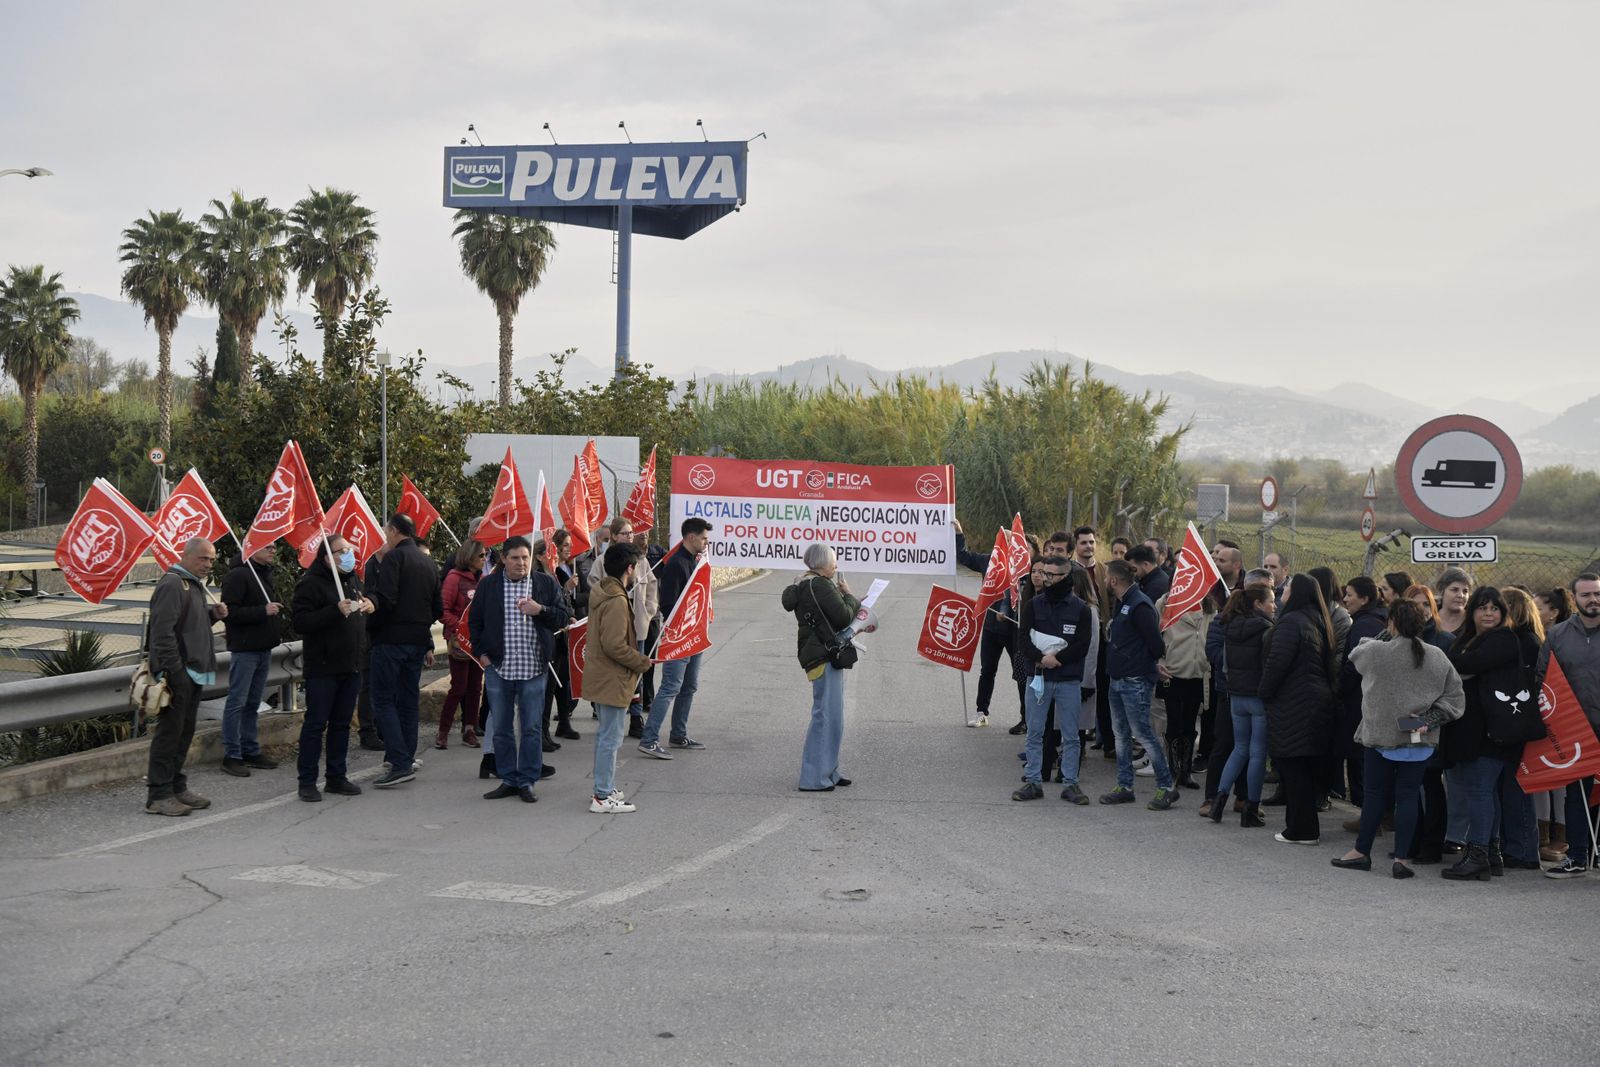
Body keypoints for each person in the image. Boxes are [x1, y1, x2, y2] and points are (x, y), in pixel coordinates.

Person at [1333, 600, 1465, 878]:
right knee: (1408, 798)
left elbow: (1356, 655)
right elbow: (1455, 697)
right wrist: (1429, 720)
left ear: (1391, 623)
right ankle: (1402, 859)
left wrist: (1386, 634)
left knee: (1374, 796)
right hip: (1417, 737)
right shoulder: (1437, 655)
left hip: (1380, 737)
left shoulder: (1377, 652)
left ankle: (1361, 851)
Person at [469, 535, 570, 803]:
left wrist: (540, 610)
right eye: (514, 558)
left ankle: (527, 780)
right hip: (499, 669)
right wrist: (482, 655)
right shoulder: (489, 586)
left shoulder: (545, 583)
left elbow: (562, 617)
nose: (521, 563)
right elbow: (475, 621)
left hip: (534, 667)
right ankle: (508, 779)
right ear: (503, 559)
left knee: (531, 728)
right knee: (501, 728)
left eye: (525, 557)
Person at [1439, 586, 1527, 880]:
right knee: (1484, 792)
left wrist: (1455, 666)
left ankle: (1477, 855)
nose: (1488, 613)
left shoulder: (1503, 639)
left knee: (1479, 790)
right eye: (1482, 608)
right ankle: (1491, 853)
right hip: (1468, 729)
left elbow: (1470, 664)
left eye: (1494, 608)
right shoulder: (1467, 639)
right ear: (1472, 611)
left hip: (1491, 730)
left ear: (1503, 613)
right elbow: (1460, 666)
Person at [143, 538, 227, 816]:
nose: (208, 564)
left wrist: (212, 615)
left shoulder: (192, 585)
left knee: (183, 733)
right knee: (169, 734)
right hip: (179, 672)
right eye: (203, 558)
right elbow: (162, 633)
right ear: (187, 555)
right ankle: (159, 795)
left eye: (212, 560)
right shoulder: (172, 584)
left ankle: (176, 787)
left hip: (194, 671)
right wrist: (173, 672)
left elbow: (190, 625)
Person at [1258, 573, 1340, 845]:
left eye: (1287, 588)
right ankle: (1298, 826)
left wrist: (1265, 693)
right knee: (1302, 767)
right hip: (1314, 702)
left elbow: (1277, 664)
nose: (1282, 592)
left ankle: (1302, 829)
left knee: (1294, 768)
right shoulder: (1319, 619)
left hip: (1294, 704)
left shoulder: (1291, 623)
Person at [291, 534, 373, 802]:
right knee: (316, 725)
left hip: (350, 665)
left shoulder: (352, 580)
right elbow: (300, 622)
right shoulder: (311, 585)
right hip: (323, 667)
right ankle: (307, 781)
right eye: (342, 551)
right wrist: (333, 611)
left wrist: (370, 603)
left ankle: (336, 777)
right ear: (327, 558)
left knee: (341, 724)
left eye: (350, 549)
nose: (348, 554)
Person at [368, 513, 443, 790]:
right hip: (417, 640)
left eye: (386, 529)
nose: (385, 534)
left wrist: (371, 622)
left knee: (384, 701)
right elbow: (438, 607)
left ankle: (399, 763)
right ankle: (405, 757)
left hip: (391, 640)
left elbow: (386, 599)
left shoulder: (393, 559)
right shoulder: (427, 562)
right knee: (408, 700)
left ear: (394, 530)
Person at [1012, 554, 1093, 803]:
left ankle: (1071, 784)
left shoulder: (1081, 609)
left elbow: (1082, 644)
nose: (1045, 578)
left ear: (1065, 576)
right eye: (1044, 573)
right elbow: (1022, 639)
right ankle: (1033, 781)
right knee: (1034, 732)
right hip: (1039, 679)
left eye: (1051, 575)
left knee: (1071, 734)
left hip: (1068, 680)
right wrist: (1040, 658)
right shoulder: (1033, 605)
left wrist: (1058, 659)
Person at [1099, 559, 1178, 810]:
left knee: (1143, 733)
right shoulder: (1123, 603)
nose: (1104, 582)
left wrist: (1147, 665)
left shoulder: (1139, 604)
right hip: (1118, 678)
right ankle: (1125, 786)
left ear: (1113, 580)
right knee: (1121, 735)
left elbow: (1156, 645)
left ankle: (1166, 787)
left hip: (1135, 681)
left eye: (1106, 578)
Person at [782, 543, 861, 792]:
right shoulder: (820, 584)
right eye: (833, 561)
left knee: (831, 717)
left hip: (818, 655)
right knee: (826, 717)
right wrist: (849, 595)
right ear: (822, 563)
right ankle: (814, 777)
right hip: (825, 656)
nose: (836, 565)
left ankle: (829, 771)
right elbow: (843, 616)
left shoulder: (803, 584)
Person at [1537, 573, 1600, 879]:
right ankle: (1577, 856)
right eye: (1586, 595)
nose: (1594, 600)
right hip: (1575, 730)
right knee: (1577, 797)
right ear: (1574, 599)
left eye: (1598, 594)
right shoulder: (1559, 634)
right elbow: (1543, 679)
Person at [584, 542, 653, 813]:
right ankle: (602, 796)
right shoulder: (615, 600)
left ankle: (605, 786)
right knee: (610, 738)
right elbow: (614, 644)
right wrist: (641, 661)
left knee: (606, 736)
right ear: (630, 568)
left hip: (603, 675)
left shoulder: (606, 591)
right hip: (611, 677)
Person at [638, 516, 713, 759]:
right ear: (691, 537)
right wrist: (684, 626)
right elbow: (668, 605)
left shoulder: (695, 562)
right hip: (679, 637)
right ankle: (649, 739)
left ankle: (678, 735)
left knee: (689, 686)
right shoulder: (676, 564)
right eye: (703, 538)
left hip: (695, 634)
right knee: (671, 686)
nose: (706, 543)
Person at [1210, 586, 1275, 827]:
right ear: (1258, 604)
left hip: (1235, 695)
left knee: (1239, 749)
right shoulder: (1266, 629)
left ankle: (1219, 800)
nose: (1274, 606)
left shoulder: (1230, 625)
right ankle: (1251, 808)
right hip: (1258, 696)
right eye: (1271, 601)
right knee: (1258, 753)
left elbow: (1225, 663)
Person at [218, 543, 283, 776]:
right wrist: (262, 611)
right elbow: (229, 613)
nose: (273, 550)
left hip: (264, 648)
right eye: (268, 546)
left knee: (253, 703)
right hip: (246, 650)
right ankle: (232, 755)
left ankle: (250, 749)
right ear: (251, 548)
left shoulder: (264, 573)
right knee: (237, 701)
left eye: (275, 547)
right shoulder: (238, 575)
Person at [954, 519, 1021, 730]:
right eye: (1002, 540)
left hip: (1015, 629)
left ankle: (1027, 717)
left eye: (1010, 541)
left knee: (1020, 674)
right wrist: (959, 533)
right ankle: (981, 712)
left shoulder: (1023, 567)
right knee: (987, 671)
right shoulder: (988, 561)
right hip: (991, 628)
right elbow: (963, 556)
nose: (1005, 544)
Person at [1497, 588, 1546, 870]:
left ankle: (1524, 850)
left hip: (1517, 722)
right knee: (1513, 786)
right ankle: (1519, 847)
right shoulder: (1531, 640)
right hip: (1520, 721)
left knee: (1516, 787)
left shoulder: (1521, 642)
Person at [1332, 576, 1387, 813]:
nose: (1345, 599)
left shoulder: (1365, 625)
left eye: (1350, 595)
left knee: (1359, 757)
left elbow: (1355, 664)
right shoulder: (1377, 621)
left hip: (1361, 700)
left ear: (1364, 599)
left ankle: (1367, 814)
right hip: (1370, 698)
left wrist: (1339, 689)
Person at [437, 540, 485, 750]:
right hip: (458, 641)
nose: (485, 559)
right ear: (470, 557)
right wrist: (459, 627)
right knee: (459, 687)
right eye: (482, 555)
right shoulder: (454, 579)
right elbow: (442, 609)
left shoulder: (483, 580)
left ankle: (469, 730)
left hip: (477, 641)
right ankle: (443, 732)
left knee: (475, 688)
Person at [616, 518, 657, 739]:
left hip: (638, 627)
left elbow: (652, 586)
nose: (630, 536)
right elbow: (595, 586)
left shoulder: (641, 562)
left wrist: (649, 611)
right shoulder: (606, 561)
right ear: (614, 536)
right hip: (616, 629)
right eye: (624, 533)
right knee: (617, 673)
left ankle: (635, 717)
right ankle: (613, 716)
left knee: (637, 673)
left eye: (631, 533)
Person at [1434, 567, 1472, 636]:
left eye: (1465, 591)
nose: (1461, 595)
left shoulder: (1473, 622)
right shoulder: (1429, 618)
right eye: (1454, 590)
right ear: (1441, 591)